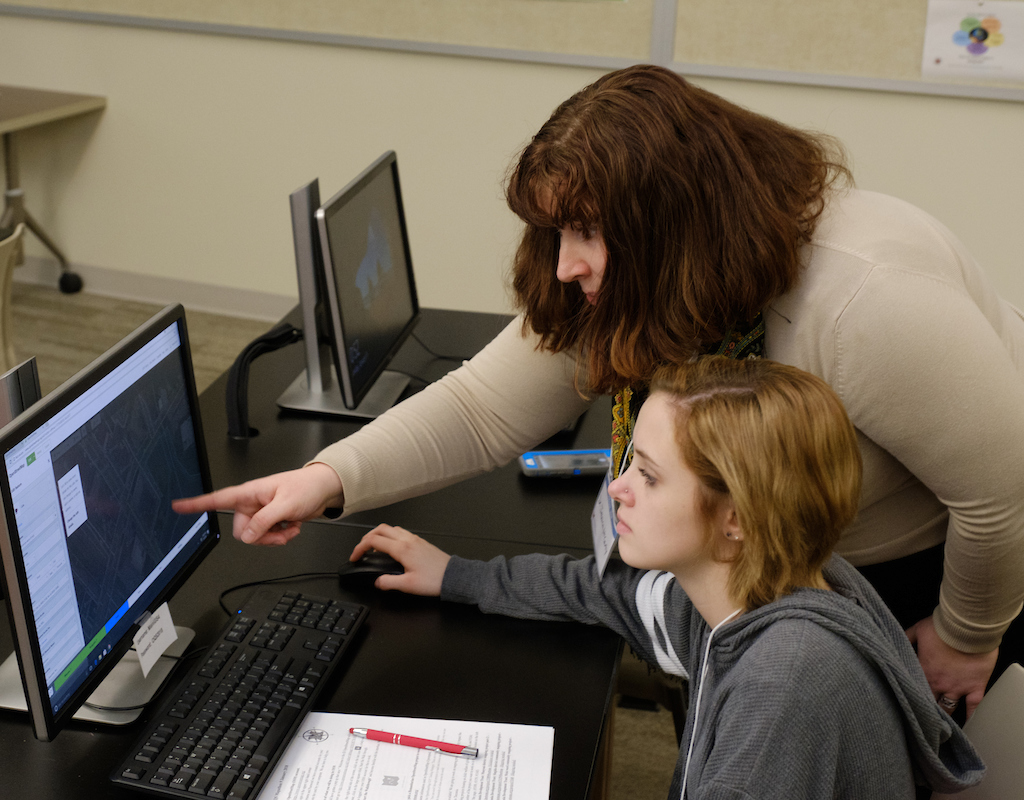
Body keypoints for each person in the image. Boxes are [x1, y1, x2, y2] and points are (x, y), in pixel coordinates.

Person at [175, 65, 1024, 717]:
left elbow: (1003, 497)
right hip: (765, 576)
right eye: (554, 232)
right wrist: (327, 480)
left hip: (923, 575)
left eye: (586, 232)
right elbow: (480, 409)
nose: (564, 264)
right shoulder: (647, 281)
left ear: (673, 226)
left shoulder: (864, 303)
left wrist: (965, 640)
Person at [350, 357, 984, 798]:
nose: (618, 489)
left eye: (648, 476)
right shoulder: (773, 586)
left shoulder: (782, 690)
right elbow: (606, 591)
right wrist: (458, 576)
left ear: (735, 516)